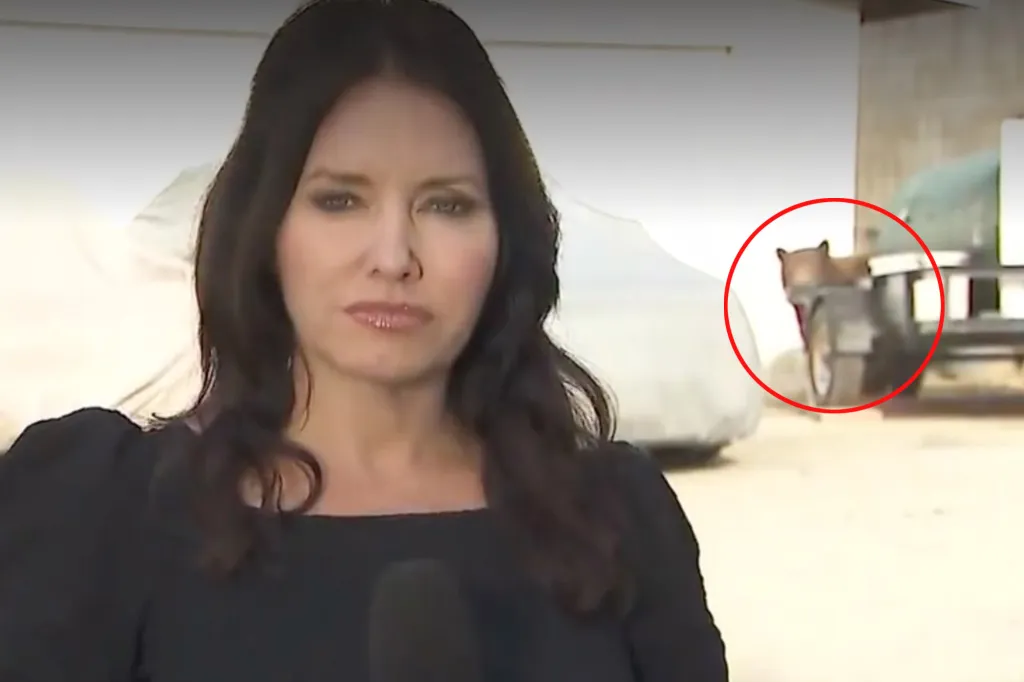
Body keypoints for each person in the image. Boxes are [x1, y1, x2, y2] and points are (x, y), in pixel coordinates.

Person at [0, 0, 728, 680]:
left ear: (505, 241)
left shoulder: (617, 521)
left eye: (446, 204)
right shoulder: (104, 512)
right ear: (266, 229)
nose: (392, 255)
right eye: (339, 199)